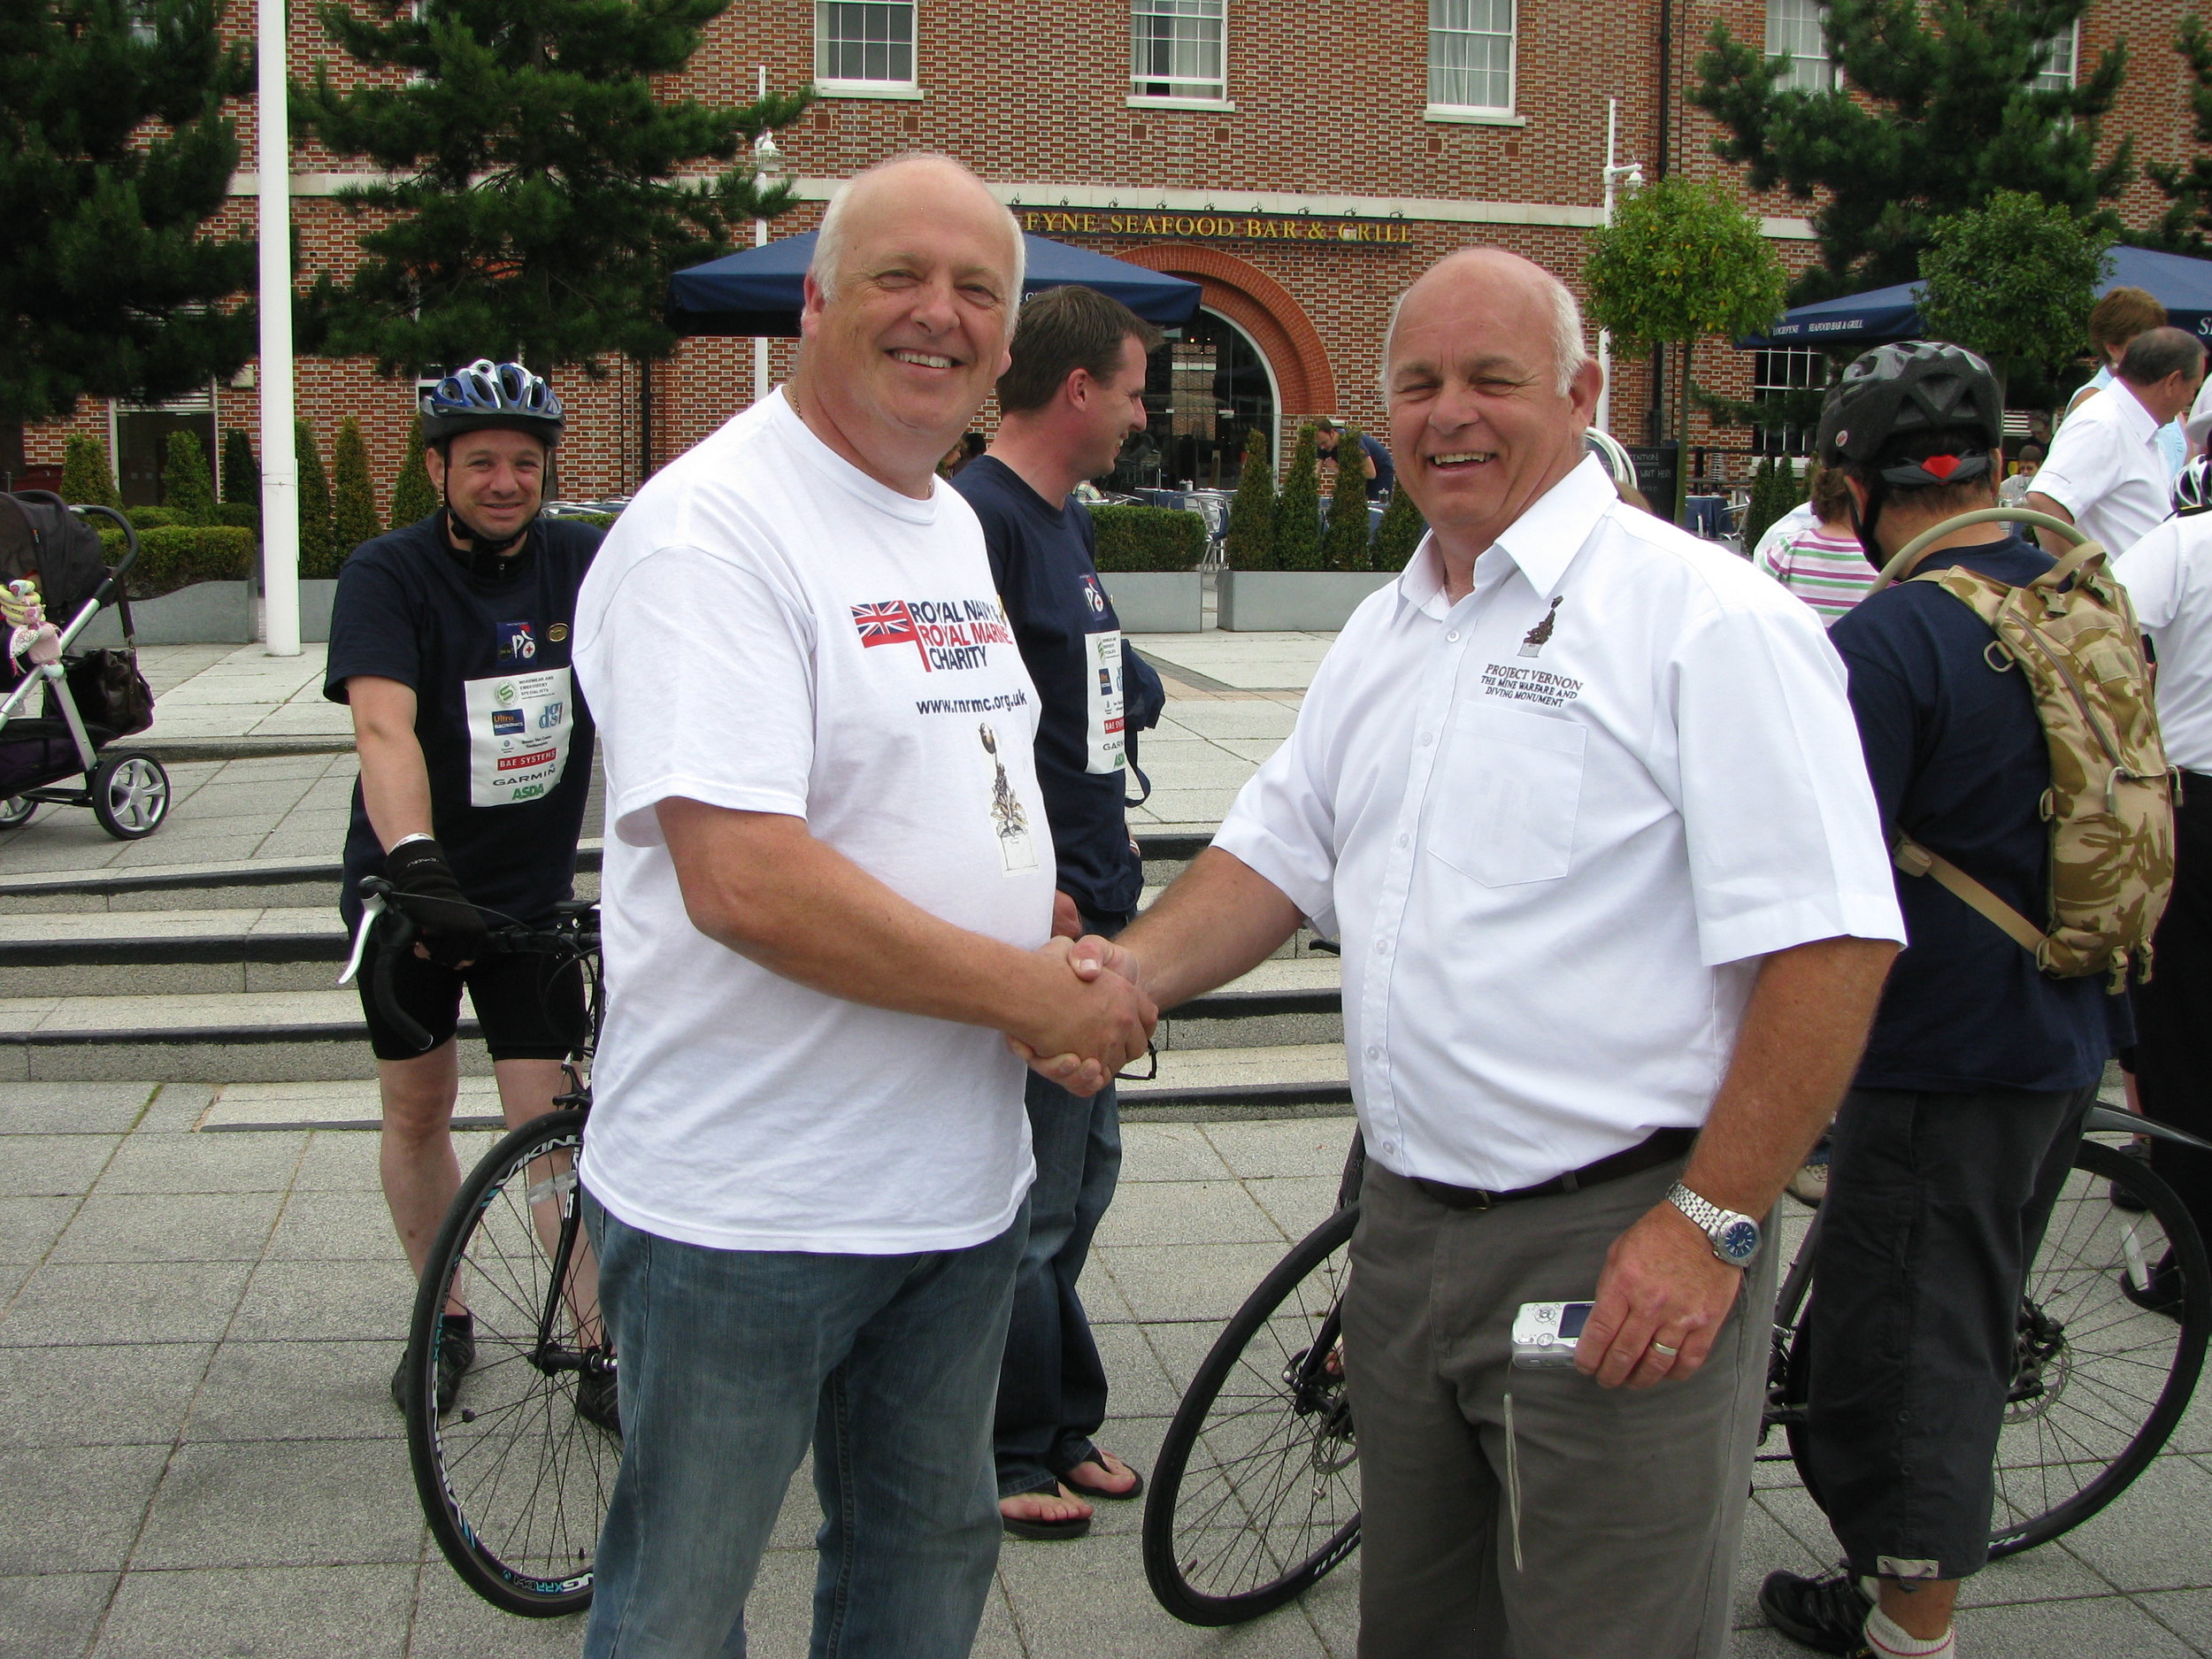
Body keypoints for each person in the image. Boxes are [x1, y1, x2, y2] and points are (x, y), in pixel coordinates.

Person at [1047, 246, 1904, 1658]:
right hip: (1400, 1233)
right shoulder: (1395, 625)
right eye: (1420, 382)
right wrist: (1127, 977)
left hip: (1616, 1235)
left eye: (1493, 380)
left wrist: (1711, 1223)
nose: (1452, 413)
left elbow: (1834, 945)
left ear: (1581, 391)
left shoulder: (1707, 618)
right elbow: (1277, 850)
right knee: (1423, 1628)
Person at [567, 154, 1157, 1659]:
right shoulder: (715, 532)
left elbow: (959, 798)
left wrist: (1051, 953)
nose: (939, 316)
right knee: (681, 1598)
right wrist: (1021, 996)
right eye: (900, 276)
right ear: (818, 300)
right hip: (744, 1211)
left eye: (978, 291)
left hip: (954, 1197)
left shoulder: (948, 523)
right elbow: (743, 878)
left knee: (922, 1563)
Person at [1761, 342, 2139, 1659]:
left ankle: (1912, 1632)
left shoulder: (1895, 637)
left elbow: (1813, 867)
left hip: (1939, 1050)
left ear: (1857, 488)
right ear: (1990, 466)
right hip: (2067, 1020)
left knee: (1910, 1349)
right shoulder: (2084, 591)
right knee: (1953, 1304)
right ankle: (1883, 1588)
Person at [323, 358, 607, 1425]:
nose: (504, 481)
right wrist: (414, 862)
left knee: (552, 1124)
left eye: (524, 463)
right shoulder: (386, 573)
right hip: (416, 893)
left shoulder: (581, 562)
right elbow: (381, 727)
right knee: (419, 1106)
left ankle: (596, 1338)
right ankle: (442, 1320)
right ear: (437, 466)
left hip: (528, 900)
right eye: (480, 460)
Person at [951, 282, 1167, 1541]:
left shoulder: (1057, 519)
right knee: (1034, 1198)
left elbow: (1086, 689)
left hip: (1097, 904)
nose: (1144, 415)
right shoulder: (978, 522)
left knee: (1083, 1183)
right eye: (1136, 390)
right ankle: (1006, 1435)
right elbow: (966, 724)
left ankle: (1059, 1411)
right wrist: (1031, 882)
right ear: (1078, 389)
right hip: (1043, 921)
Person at [2111, 452, 2212, 1310]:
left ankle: (2192, 1258)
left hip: (2196, 795)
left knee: (2179, 1029)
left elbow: (2104, 616)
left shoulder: (2186, 546)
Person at [2027, 326, 2206, 556]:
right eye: (2193, 389)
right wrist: (2086, 581)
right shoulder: (2103, 423)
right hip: (2113, 589)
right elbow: (2044, 502)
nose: (2191, 398)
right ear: (2172, 382)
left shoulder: (2131, 427)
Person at [2062, 287, 2185, 478]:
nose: (2157, 349)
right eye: (2146, 341)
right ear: (2113, 348)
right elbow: (2065, 485)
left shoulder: (2167, 396)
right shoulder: (2093, 400)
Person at [1757, 462, 1871, 625]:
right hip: (1854, 648)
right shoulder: (1876, 559)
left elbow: (1754, 594)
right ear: (1862, 498)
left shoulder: (1790, 547)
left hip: (1797, 647)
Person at [1315, 415, 1395, 500]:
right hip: (1359, 471)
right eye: (1319, 444)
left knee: (1373, 505)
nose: (1322, 447)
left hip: (1380, 470)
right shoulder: (1322, 443)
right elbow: (1315, 472)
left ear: (1332, 433)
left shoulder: (1353, 442)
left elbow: (1371, 474)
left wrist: (1340, 470)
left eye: (1324, 443)